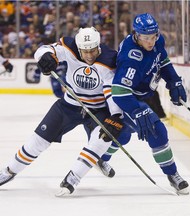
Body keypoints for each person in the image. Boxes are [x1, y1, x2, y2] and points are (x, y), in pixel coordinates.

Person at [0, 27, 124, 196]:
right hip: (69, 106)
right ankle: (9, 171)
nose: (89, 55)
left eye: (93, 50)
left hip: (98, 109)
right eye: (85, 51)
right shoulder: (69, 47)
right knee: (38, 141)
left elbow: (111, 91)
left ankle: (74, 176)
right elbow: (43, 49)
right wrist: (45, 57)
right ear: (79, 48)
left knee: (104, 136)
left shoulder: (109, 59)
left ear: (99, 46)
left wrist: (116, 115)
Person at [101, 13, 189, 194]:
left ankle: (100, 157)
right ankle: (173, 175)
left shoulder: (157, 41)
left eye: (154, 36)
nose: (151, 41)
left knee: (123, 134)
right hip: (126, 97)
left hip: (141, 93)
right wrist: (137, 110)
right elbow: (120, 91)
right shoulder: (131, 58)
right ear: (136, 35)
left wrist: (174, 81)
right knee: (157, 132)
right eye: (146, 38)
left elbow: (162, 61)